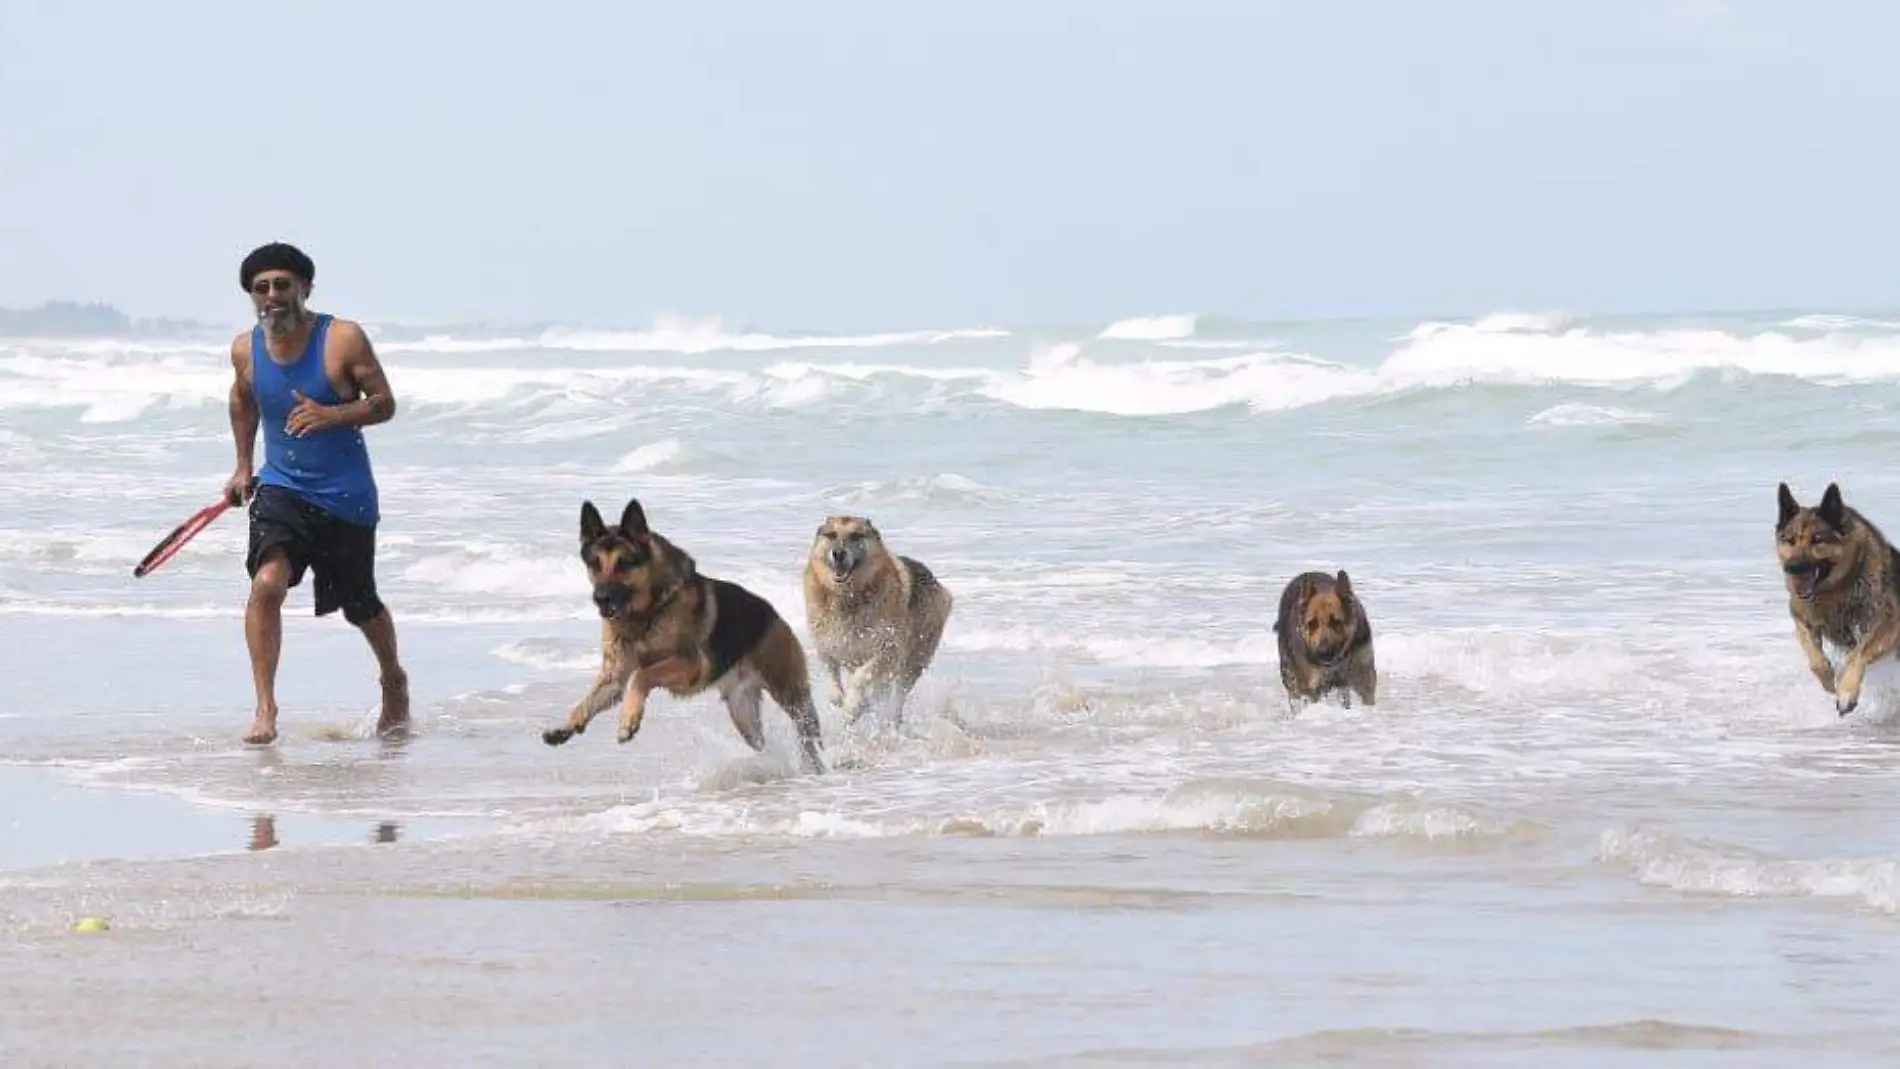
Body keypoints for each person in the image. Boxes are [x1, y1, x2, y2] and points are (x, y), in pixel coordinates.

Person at [223, 241, 409, 745]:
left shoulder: (342, 339)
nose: (273, 295)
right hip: (281, 487)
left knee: (360, 606)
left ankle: (393, 678)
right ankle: (265, 708)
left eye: (283, 284)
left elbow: (385, 404)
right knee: (266, 584)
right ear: (252, 296)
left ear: (305, 287)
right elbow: (243, 401)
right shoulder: (245, 349)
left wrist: (333, 415)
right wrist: (243, 465)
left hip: (344, 496)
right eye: (261, 288)